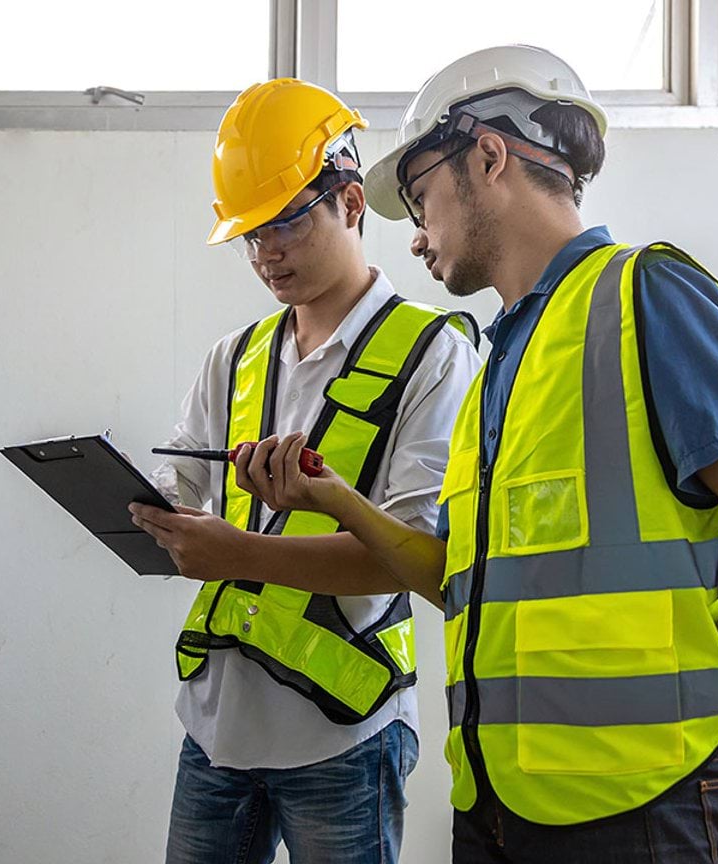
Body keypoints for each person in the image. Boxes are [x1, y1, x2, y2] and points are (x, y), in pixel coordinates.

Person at [223, 46, 718, 863]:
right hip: (500, 801)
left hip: (637, 802)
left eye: (422, 197)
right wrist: (338, 503)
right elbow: (458, 582)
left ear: (490, 156)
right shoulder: (499, 361)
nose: (416, 237)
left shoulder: (642, 294)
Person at [127, 78, 480, 864]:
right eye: (252, 234)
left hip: (345, 734)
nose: (267, 254)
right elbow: (180, 495)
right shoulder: (236, 357)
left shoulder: (433, 355)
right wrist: (146, 513)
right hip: (216, 729)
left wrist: (237, 553)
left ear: (351, 203)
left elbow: (417, 552)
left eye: (286, 222)